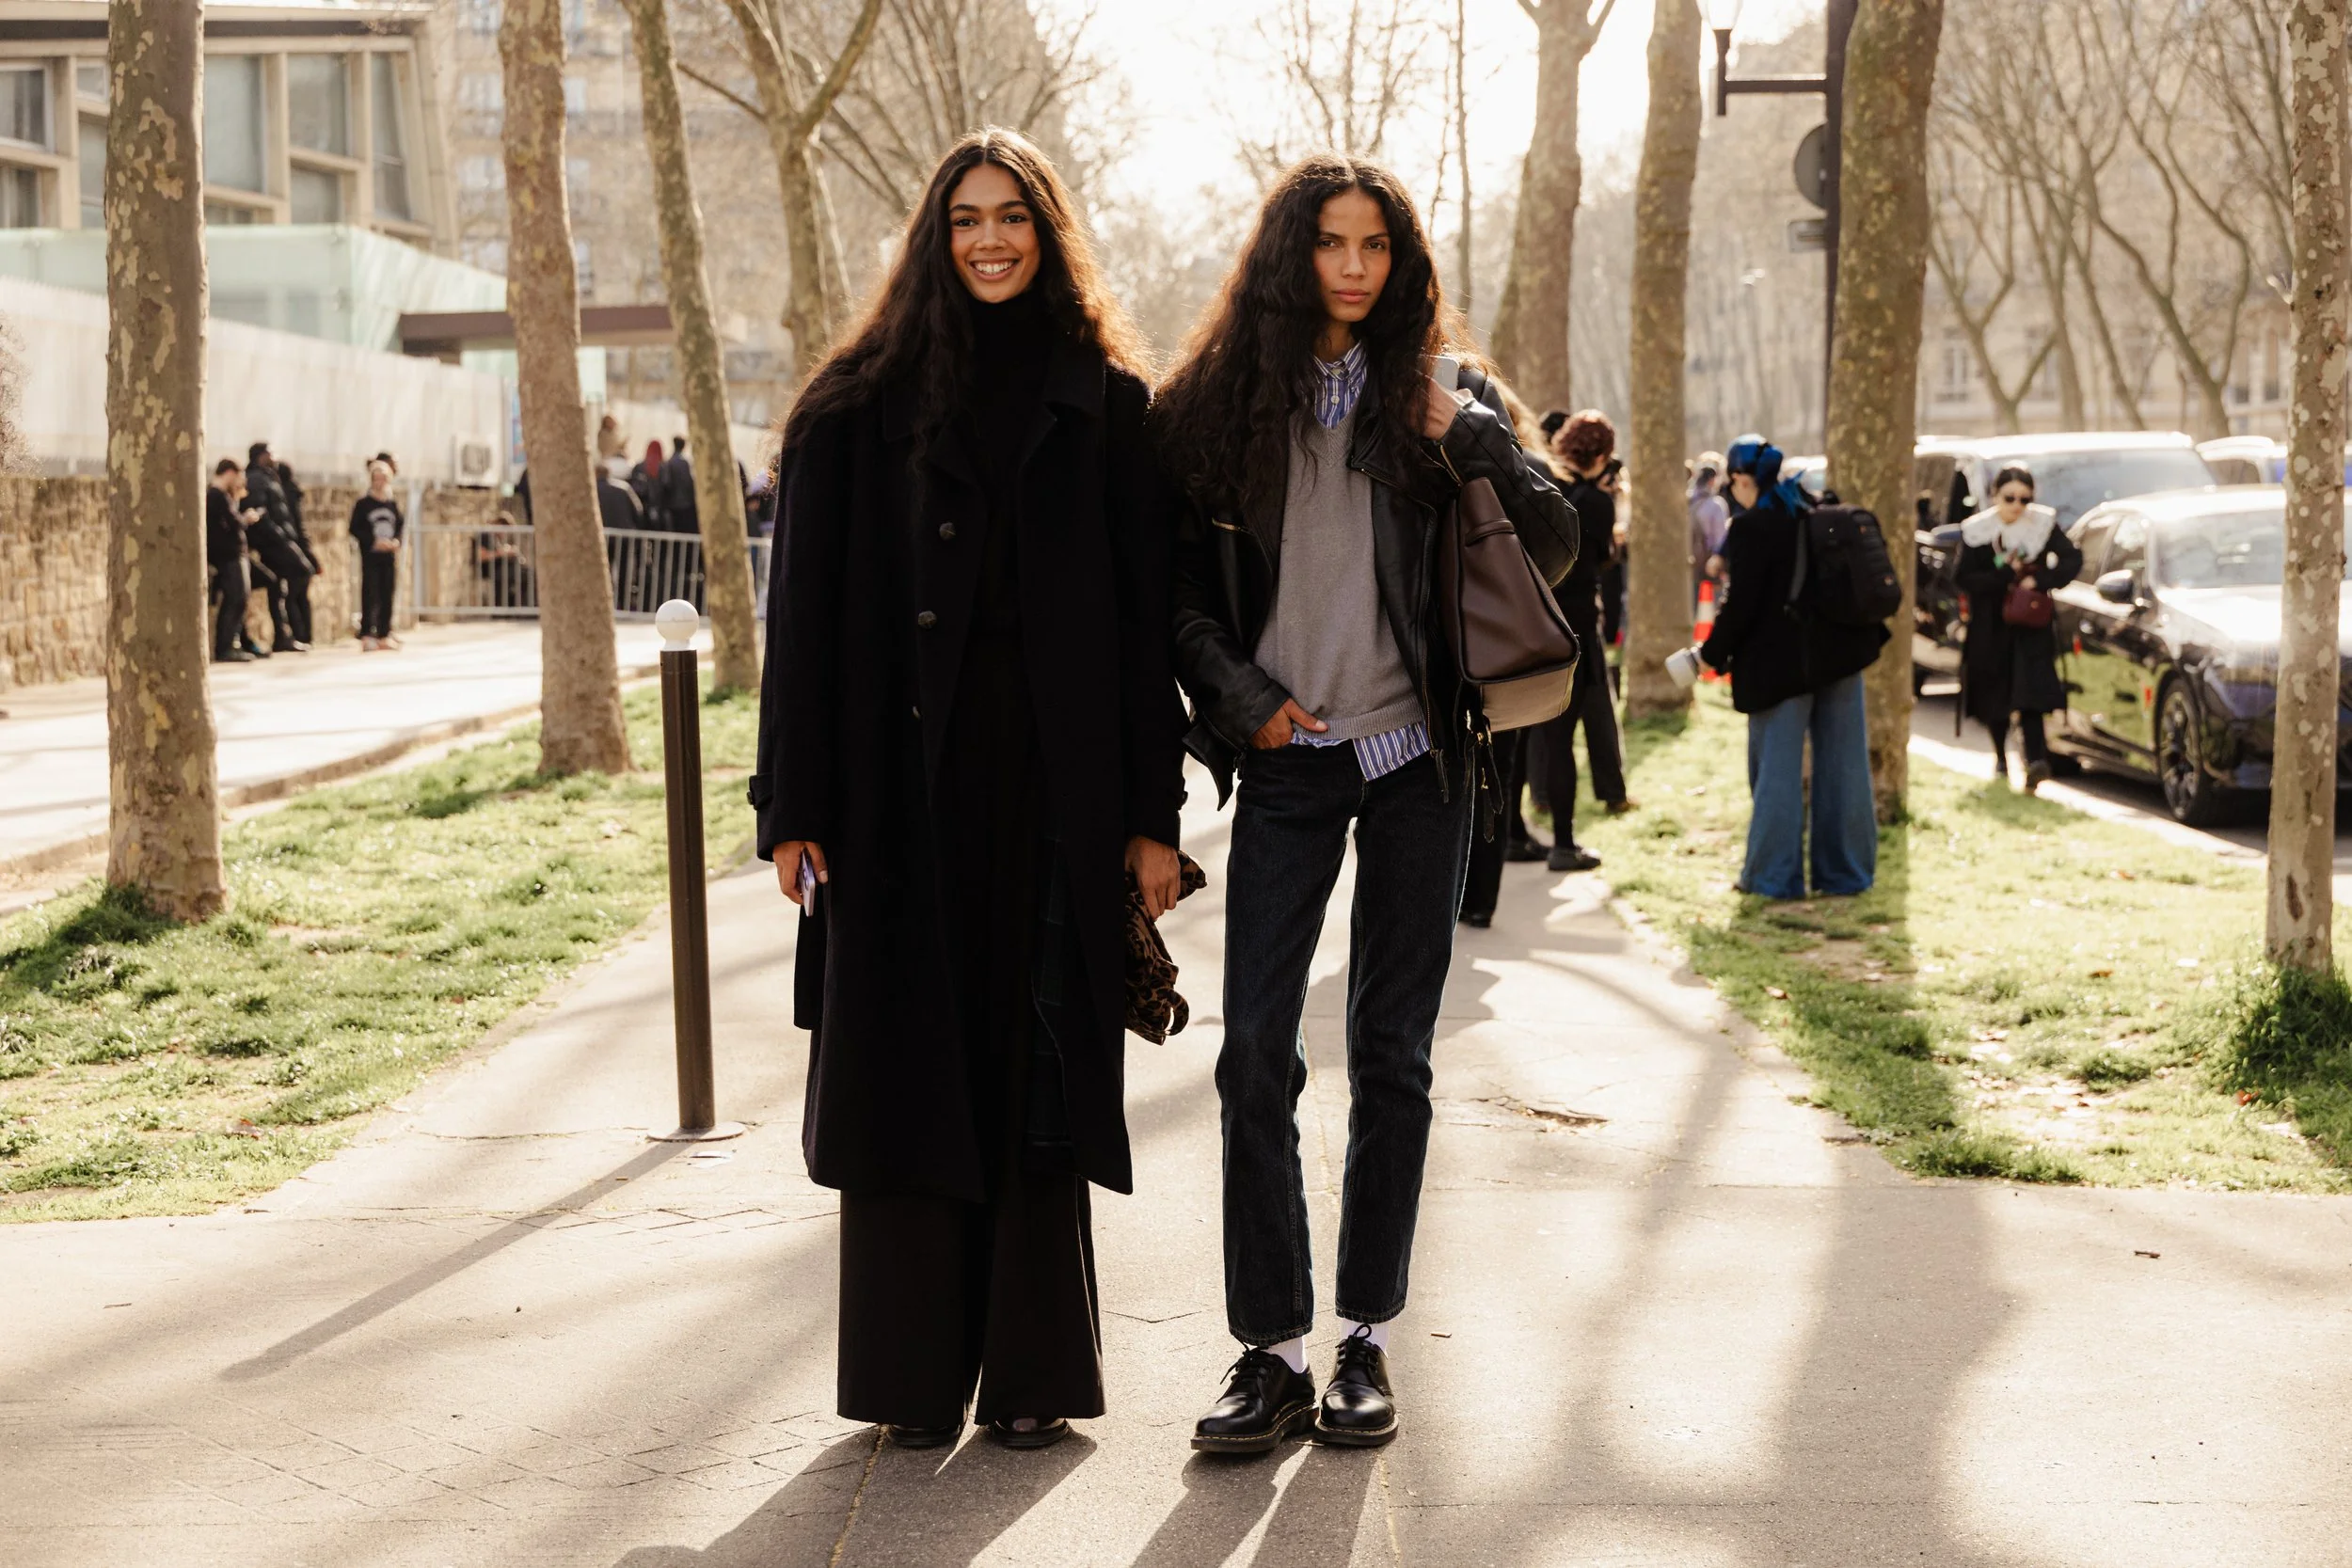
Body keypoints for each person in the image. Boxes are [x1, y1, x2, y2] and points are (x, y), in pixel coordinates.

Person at [750, 127, 1185, 1454]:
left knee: (1034, 1060)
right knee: (904, 1072)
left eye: (1013, 217)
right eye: (966, 219)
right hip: (891, 800)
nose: (990, 239)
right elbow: (800, 625)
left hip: (1057, 795)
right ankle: (908, 1376)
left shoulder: (1108, 407)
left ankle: (1033, 1369)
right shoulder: (848, 410)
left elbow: (1142, 632)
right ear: (934, 239)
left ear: (1048, 233)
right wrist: (791, 807)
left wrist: (1152, 818)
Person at [1156, 153, 1577, 1454]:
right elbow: (1170, 593)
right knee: (1253, 1054)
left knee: (1391, 1056)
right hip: (1288, 760)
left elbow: (1558, 544)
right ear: (1291, 254)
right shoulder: (1217, 405)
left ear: (1401, 263)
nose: (1353, 267)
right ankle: (1270, 1349)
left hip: (1417, 763)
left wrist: (1474, 438)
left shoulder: (1442, 399)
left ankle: (1363, 1341)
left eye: (1375, 246)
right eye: (1331, 243)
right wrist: (1244, 701)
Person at [1699, 435, 1884, 900]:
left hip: (1779, 668)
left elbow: (1740, 607)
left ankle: (1773, 878)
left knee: (1776, 774)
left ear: (1741, 479)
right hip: (1840, 657)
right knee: (1845, 769)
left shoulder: (1752, 527)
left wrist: (1709, 655)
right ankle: (1846, 875)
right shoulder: (1816, 509)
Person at [1459, 382, 1564, 927]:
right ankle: (1479, 899)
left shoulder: (1518, 474)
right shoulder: (1530, 472)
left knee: (1479, 776)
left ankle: (1469, 898)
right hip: (1510, 641)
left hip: (1477, 635)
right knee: (1497, 774)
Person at [1535, 410, 1633, 873]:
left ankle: (1527, 833)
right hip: (1578, 628)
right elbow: (1604, 559)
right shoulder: (1595, 503)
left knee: (1546, 737)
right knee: (1567, 735)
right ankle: (1563, 842)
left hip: (1539, 623)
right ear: (1601, 456)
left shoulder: (1542, 488)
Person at [1955, 465, 2081, 792]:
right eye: (2009, 498)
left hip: (2029, 623)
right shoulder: (1978, 530)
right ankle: (2001, 759)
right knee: (1995, 692)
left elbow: (2072, 560)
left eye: (2024, 499)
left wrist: (2039, 580)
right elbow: (1963, 577)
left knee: (2031, 692)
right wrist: (2002, 577)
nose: (2017, 506)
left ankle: (2035, 761)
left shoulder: (2042, 525)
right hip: (1990, 623)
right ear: (1994, 496)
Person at [244, 444, 316, 653]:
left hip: (278, 540)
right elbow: (261, 512)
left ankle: (283, 636)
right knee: (301, 572)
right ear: (261, 456)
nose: (274, 457)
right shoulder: (256, 479)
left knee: (278, 587)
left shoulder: (268, 477)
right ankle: (289, 632)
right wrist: (279, 536)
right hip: (274, 543)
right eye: (270, 453)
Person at [350, 458, 405, 650]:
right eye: (376, 478)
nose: (380, 482)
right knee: (370, 593)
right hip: (371, 555)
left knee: (387, 593)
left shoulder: (391, 504)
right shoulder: (363, 504)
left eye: (383, 478)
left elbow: (399, 526)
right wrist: (373, 541)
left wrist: (396, 541)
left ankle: (384, 633)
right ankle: (367, 633)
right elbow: (355, 528)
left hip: (388, 556)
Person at [207, 459, 259, 663]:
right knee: (235, 599)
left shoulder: (223, 496)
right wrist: (246, 518)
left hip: (232, 555)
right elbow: (232, 523)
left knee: (239, 599)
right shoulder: (216, 495)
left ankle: (233, 643)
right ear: (230, 473)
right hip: (228, 557)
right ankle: (226, 646)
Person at [1687, 450, 1730, 613]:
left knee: (1690, 607)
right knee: (1719, 606)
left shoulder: (1686, 501)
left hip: (1690, 561)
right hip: (1712, 561)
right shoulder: (1716, 505)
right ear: (1713, 480)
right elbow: (1720, 537)